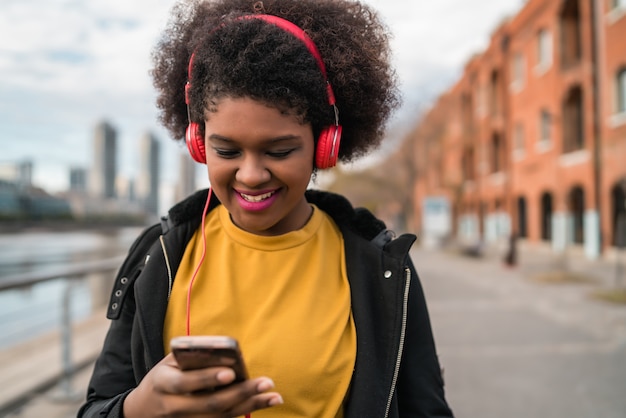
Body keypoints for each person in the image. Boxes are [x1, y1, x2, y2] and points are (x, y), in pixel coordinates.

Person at [78, 0, 454, 417]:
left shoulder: (379, 263)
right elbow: (96, 408)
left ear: (324, 146)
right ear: (199, 143)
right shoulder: (158, 257)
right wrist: (139, 407)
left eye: (279, 150)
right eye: (227, 150)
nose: (251, 175)